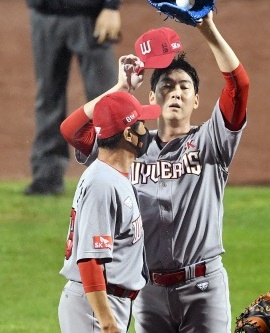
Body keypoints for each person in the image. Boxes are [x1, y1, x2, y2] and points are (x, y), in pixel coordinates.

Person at [61, 11, 250, 333]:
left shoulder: (211, 141)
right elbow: (73, 131)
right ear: (151, 98)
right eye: (167, 85)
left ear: (196, 100)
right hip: (148, 290)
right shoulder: (126, 146)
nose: (176, 92)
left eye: (184, 87)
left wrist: (208, 28)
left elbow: (239, 86)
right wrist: (119, 88)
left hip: (203, 286)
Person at [58, 88, 161, 332]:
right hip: (96, 307)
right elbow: (91, 259)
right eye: (142, 124)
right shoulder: (102, 183)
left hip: (105, 303)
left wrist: (121, 87)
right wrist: (106, 323)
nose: (146, 131)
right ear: (128, 133)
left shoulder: (111, 173)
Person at [25, 0, 122, 195]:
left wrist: (111, 7)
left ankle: (113, 173)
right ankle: (47, 177)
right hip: (44, 13)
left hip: (91, 15)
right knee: (48, 97)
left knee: (106, 100)